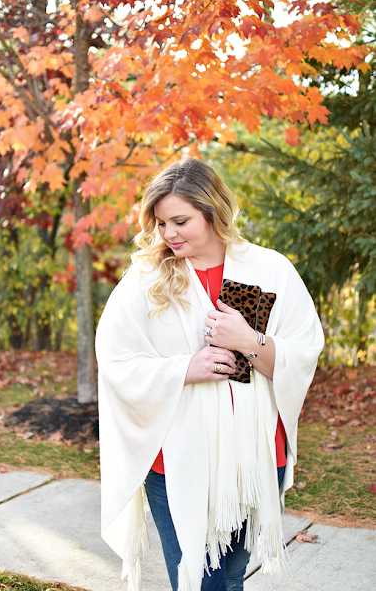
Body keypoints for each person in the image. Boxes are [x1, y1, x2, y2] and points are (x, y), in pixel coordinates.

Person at [96, 158, 324, 591]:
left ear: (213, 211)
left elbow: (301, 357)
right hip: (178, 458)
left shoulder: (270, 270)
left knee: (230, 578)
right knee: (200, 581)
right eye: (161, 223)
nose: (169, 234)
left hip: (255, 457)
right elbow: (114, 362)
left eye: (180, 220)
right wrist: (184, 368)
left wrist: (246, 339)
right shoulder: (147, 280)